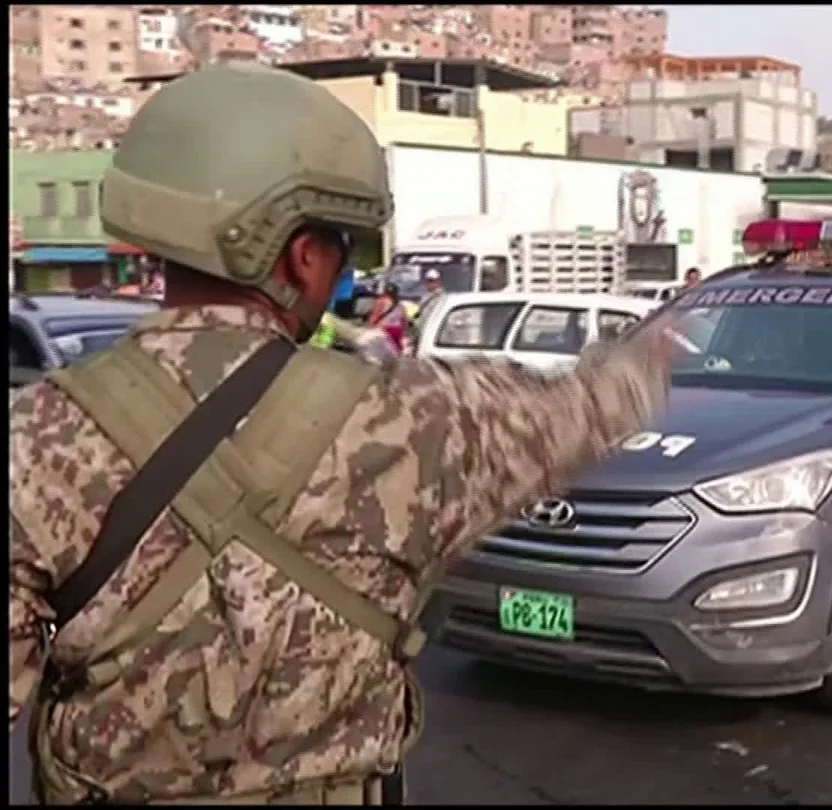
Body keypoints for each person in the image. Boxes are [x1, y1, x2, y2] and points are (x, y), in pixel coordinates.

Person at [9, 62, 674, 806]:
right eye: (341, 248)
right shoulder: (411, 419)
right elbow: (571, 415)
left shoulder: (38, 435)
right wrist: (647, 362)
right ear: (300, 254)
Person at [367, 282, 408, 353]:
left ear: (385, 291)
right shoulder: (401, 305)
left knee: (378, 351)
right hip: (397, 331)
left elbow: (375, 315)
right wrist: (404, 335)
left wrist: (372, 325)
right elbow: (404, 321)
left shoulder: (381, 301)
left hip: (384, 329)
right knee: (395, 352)